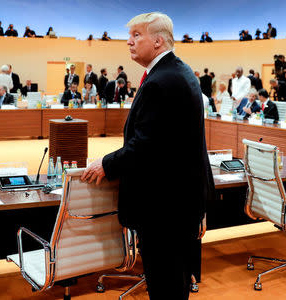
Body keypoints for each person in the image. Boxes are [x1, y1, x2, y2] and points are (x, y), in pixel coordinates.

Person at [81, 12, 214, 300]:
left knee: (166, 285)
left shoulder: (161, 81)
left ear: (157, 41)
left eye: (136, 35)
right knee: (173, 282)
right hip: (180, 201)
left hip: (165, 206)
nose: (129, 41)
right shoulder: (179, 71)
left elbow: (146, 145)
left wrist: (106, 163)